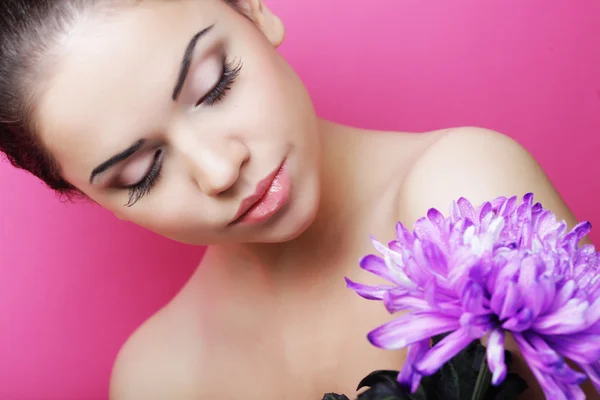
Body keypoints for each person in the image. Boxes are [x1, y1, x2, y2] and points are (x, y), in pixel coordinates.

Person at [0, 0, 595, 399]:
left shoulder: (461, 193)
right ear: (86, 197)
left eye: (215, 85)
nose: (219, 169)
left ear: (255, 9)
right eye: (141, 172)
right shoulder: (155, 377)